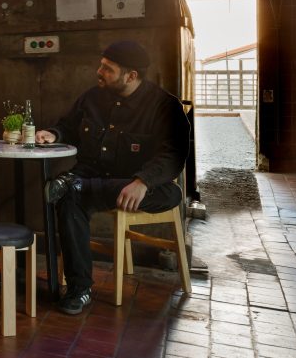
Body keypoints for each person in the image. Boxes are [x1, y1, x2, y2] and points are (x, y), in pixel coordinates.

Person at [35, 40, 190, 315]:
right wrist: (53, 134)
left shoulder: (165, 106)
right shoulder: (92, 97)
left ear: (131, 76)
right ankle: (79, 290)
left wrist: (143, 182)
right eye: (101, 65)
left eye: (108, 69)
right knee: (70, 200)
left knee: (171, 194)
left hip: (133, 184)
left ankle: (76, 185)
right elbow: (67, 126)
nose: (99, 72)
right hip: (93, 177)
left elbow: (173, 155)